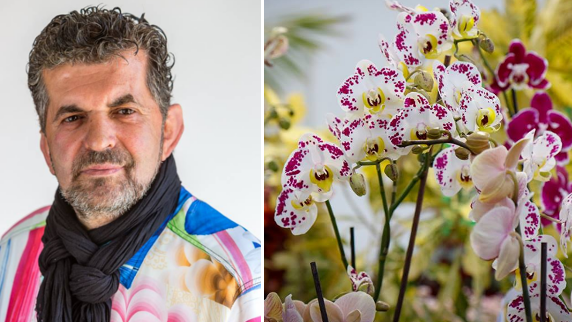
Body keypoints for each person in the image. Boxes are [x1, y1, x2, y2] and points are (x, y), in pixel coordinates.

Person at [0, 6, 261, 322]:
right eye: (72, 118)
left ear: (168, 131)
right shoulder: (10, 253)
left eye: (124, 111)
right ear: (46, 148)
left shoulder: (239, 279)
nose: (99, 141)